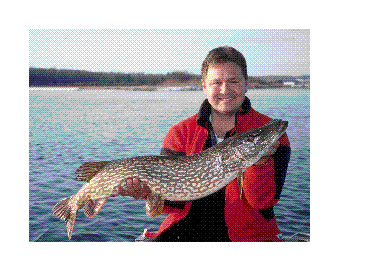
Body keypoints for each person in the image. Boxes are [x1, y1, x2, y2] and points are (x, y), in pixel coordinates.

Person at [117, 46, 291, 241]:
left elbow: (262, 201)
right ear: (204, 86)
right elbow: (173, 204)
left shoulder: (270, 134)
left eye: (233, 81)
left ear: (246, 84)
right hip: (184, 234)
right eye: (216, 82)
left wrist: (259, 163)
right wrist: (146, 192)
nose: (225, 90)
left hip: (248, 236)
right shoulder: (180, 132)